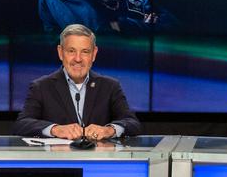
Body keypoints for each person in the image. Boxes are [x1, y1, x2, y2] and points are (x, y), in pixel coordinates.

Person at [13, 24, 141, 140]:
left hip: (97, 162)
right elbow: (21, 124)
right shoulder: (41, 86)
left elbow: (133, 123)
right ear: (60, 52)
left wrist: (110, 130)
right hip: (59, 162)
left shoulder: (110, 86)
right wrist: (55, 129)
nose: (78, 59)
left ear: (94, 54)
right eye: (71, 51)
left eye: (85, 52)